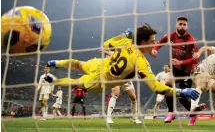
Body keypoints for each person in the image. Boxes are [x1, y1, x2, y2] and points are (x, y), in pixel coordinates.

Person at [45, 24, 200, 105]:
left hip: (101, 65)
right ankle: (55, 78)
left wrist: (124, 35)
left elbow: (106, 45)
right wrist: (181, 92)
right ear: (143, 41)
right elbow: (155, 87)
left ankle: (55, 64)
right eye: (152, 41)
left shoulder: (127, 42)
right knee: (77, 82)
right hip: (100, 80)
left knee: (78, 64)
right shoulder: (141, 62)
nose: (154, 44)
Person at [151, 16, 205, 123]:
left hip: (187, 71)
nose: (182, 26)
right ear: (176, 25)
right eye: (180, 24)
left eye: (184, 24)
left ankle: (193, 112)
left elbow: (195, 60)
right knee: (167, 85)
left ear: (187, 26)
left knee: (182, 98)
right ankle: (171, 113)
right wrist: (154, 50)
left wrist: (182, 62)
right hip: (175, 69)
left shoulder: (190, 40)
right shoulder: (170, 36)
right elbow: (159, 42)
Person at [99, 48, 142, 124]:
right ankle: (108, 117)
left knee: (133, 97)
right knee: (115, 94)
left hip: (125, 77)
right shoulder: (108, 56)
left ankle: (135, 118)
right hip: (116, 77)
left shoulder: (123, 52)